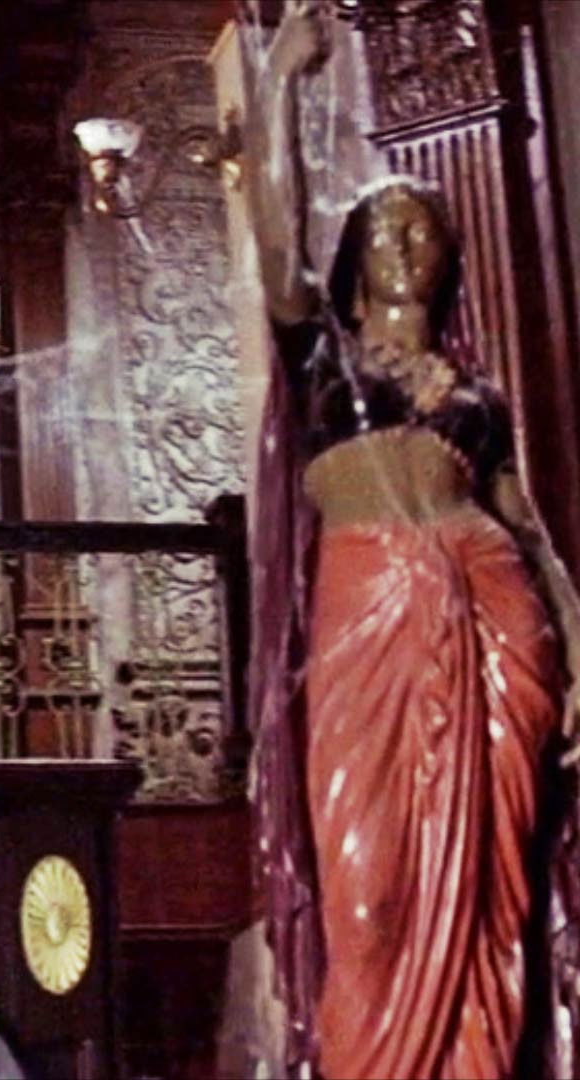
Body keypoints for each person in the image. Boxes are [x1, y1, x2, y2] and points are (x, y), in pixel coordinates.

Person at [248, 3, 580, 1077]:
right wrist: (278, 78)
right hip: (368, 614)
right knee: (371, 893)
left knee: (491, 890)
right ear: (353, 260)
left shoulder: (479, 395)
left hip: (494, 618)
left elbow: (525, 524)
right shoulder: (322, 357)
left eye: (425, 229)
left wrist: (579, 643)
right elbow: (276, 239)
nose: (406, 242)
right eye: (386, 227)